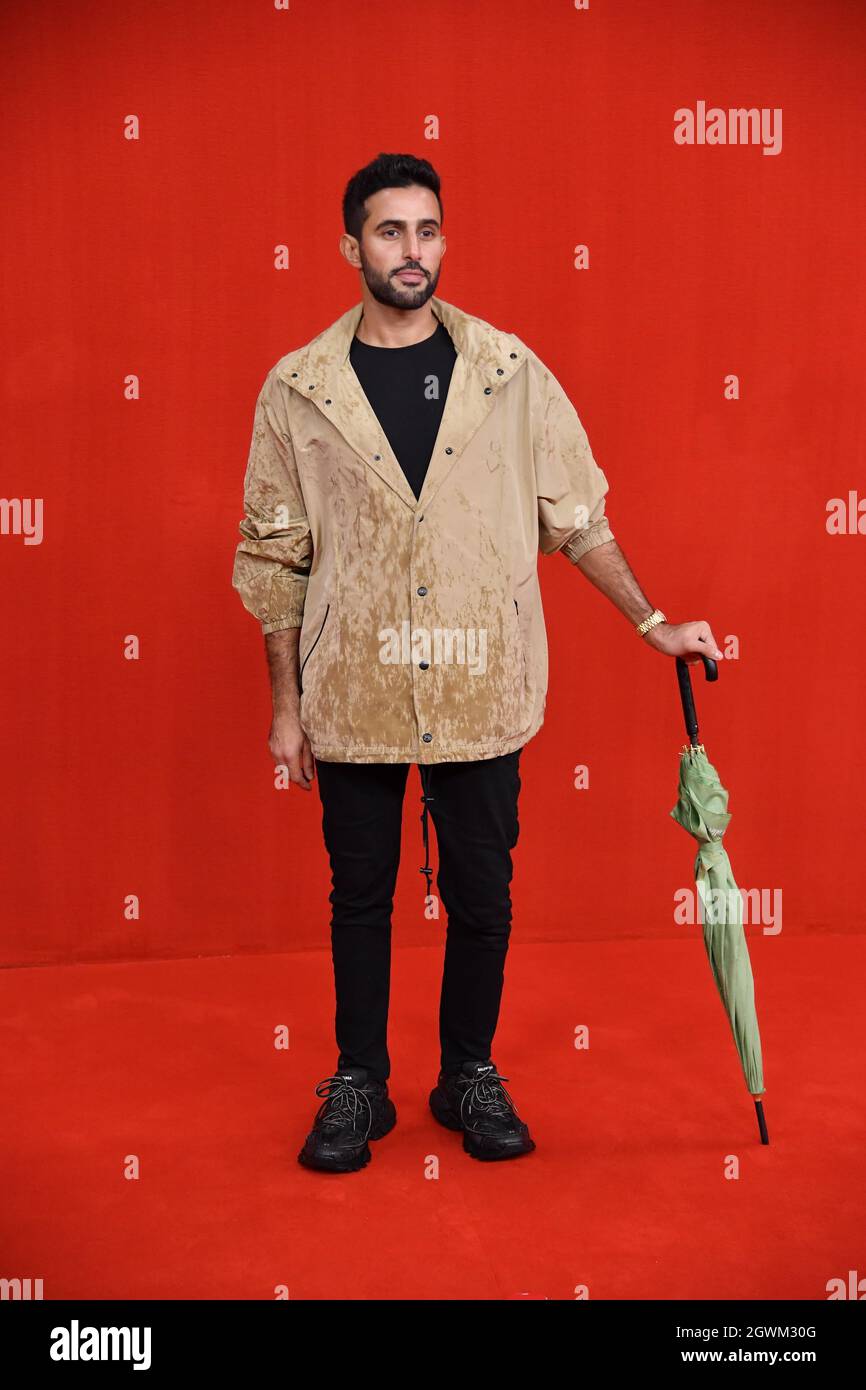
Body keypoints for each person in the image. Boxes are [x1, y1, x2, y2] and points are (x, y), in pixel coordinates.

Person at [231, 153, 723, 1173]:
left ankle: (467, 1072)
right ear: (349, 246)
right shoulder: (298, 388)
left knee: (483, 892)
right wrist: (285, 709)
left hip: (479, 678)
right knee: (358, 892)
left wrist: (652, 622)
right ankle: (358, 1081)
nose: (411, 252)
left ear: (442, 240)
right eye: (388, 232)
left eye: (427, 231)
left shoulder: (508, 372)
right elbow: (272, 558)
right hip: (354, 686)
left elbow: (575, 517)